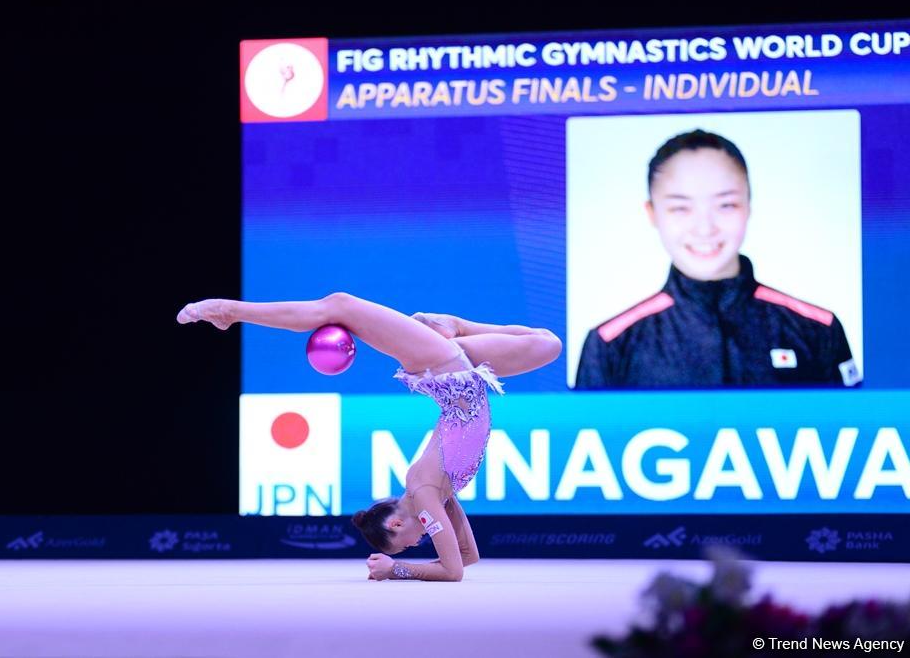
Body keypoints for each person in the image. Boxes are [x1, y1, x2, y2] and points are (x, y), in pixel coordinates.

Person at [177, 295, 561, 581]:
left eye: (411, 543)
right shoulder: (436, 495)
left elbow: (452, 571)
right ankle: (454, 326)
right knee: (548, 344)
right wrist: (402, 564)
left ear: (396, 524)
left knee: (338, 305)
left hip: (440, 368)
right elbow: (466, 557)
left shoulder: (426, 493)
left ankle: (230, 311)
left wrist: (396, 569)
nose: (420, 540)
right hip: (462, 369)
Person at [575, 129, 860, 390]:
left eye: (725, 205)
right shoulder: (612, 343)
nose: (704, 228)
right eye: (680, 208)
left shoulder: (817, 329)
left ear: (749, 204)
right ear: (652, 212)